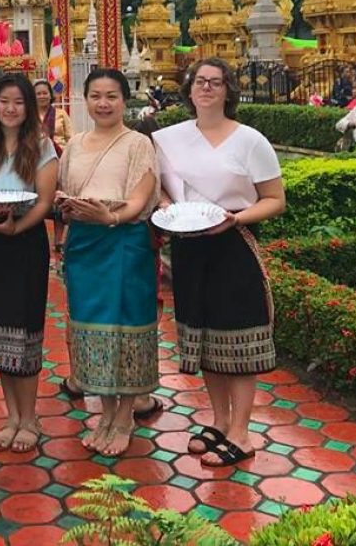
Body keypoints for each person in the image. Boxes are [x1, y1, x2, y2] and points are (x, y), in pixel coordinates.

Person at [153, 58, 286, 468]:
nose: (207, 88)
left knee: (238, 336)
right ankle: (220, 420)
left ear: (228, 90)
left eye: (216, 82)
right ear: (189, 91)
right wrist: (168, 209)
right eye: (199, 82)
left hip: (234, 243)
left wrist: (234, 218)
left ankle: (242, 433)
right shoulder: (168, 139)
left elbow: (274, 200)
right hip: (190, 244)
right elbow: (159, 190)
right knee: (207, 335)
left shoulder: (250, 141)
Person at [57, 69, 160, 457]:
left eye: (112, 96)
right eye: (96, 96)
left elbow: (139, 197)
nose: (103, 103)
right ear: (86, 99)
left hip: (123, 239)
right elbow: (67, 192)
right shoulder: (75, 144)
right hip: (85, 241)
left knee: (125, 325)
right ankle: (105, 413)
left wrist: (112, 217)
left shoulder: (137, 144)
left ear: (124, 100)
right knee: (91, 327)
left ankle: (125, 416)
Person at [0, 74, 58, 453]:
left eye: (19, 102)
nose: (11, 108)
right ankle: (12, 416)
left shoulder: (42, 146)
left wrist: (16, 227)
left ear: (29, 106)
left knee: (25, 327)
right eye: (4, 101)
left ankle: (30, 416)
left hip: (26, 242)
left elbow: (45, 202)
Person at [34, 79, 73, 155]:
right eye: (38, 94)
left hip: (61, 156)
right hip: (37, 157)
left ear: (50, 95)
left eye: (45, 93)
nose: (42, 96)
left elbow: (71, 138)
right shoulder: (29, 116)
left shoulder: (61, 113)